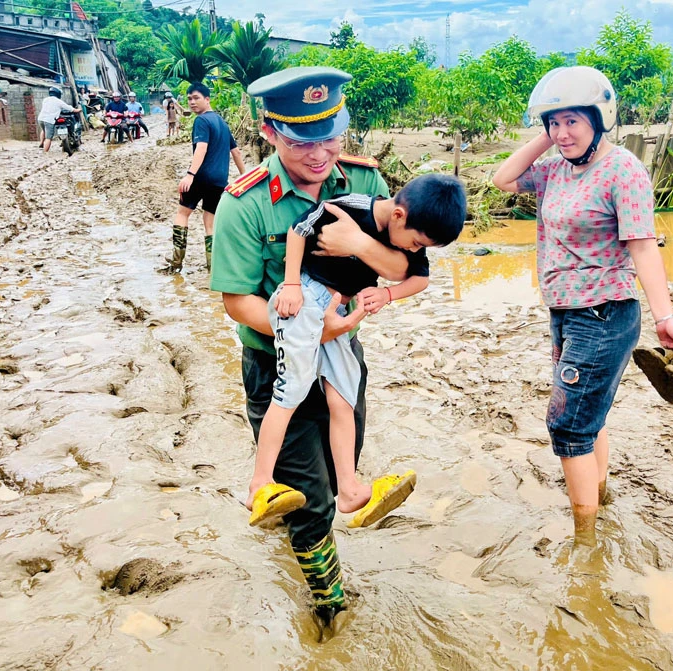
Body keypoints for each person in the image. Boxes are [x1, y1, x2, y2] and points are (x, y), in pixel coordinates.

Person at [209, 67, 418, 637]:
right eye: (303, 140)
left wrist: (358, 247)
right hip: (276, 361)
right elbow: (237, 301)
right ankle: (330, 608)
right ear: (270, 131)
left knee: (335, 468)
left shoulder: (366, 185)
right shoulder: (245, 203)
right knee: (311, 498)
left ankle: (298, 519)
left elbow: (409, 266)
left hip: (343, 363)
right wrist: (309, 330)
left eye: (331, 135)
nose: (321, 153)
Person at [492, 66, 673, 540]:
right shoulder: (554, 169)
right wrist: (549, 137)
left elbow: (643, 247)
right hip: (563, 312)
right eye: (553, 123)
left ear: (599, 119)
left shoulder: (623, 169)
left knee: (568, 424)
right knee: (589, 415)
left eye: (572, 123)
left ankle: (586, 538)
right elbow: (503, 179)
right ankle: (598, 495)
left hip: (605, 314)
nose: (562, 133)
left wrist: (666, 317)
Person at [247, 173, 466, 524]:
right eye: (414, 243)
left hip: (338, 311)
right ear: (398, 216)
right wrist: (290, 285)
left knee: (343, 398)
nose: (413, 250)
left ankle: (349, 489)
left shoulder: (414, 228)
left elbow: (420, 277)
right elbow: (298, 231)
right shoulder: (350, 206)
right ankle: (260, 485)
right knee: (291, 391)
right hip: (303, 300)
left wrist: (387, 293)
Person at [162, 82, 245, 273]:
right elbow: (237, 152)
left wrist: (190, 175)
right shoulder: (222, 122)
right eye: (189, 98)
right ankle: (213, 267)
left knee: (183, 213)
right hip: (219, 181)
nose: (192, 102)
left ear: (207, 99)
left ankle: (176, 263)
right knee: (210, 223)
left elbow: (202, 148)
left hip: (200, 177)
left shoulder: (201, 121)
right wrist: (245, 177)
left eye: (196, 98)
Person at [36, 86, 75, 153]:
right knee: (48, 138)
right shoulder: (58, 101)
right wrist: (77, 110)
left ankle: (41, 143)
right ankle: (45, 152)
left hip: (41, 118)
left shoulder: (45, 100)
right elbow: (69, 108)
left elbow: (50, 107)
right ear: (58, 93)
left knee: (43, 130)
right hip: (49, 120)